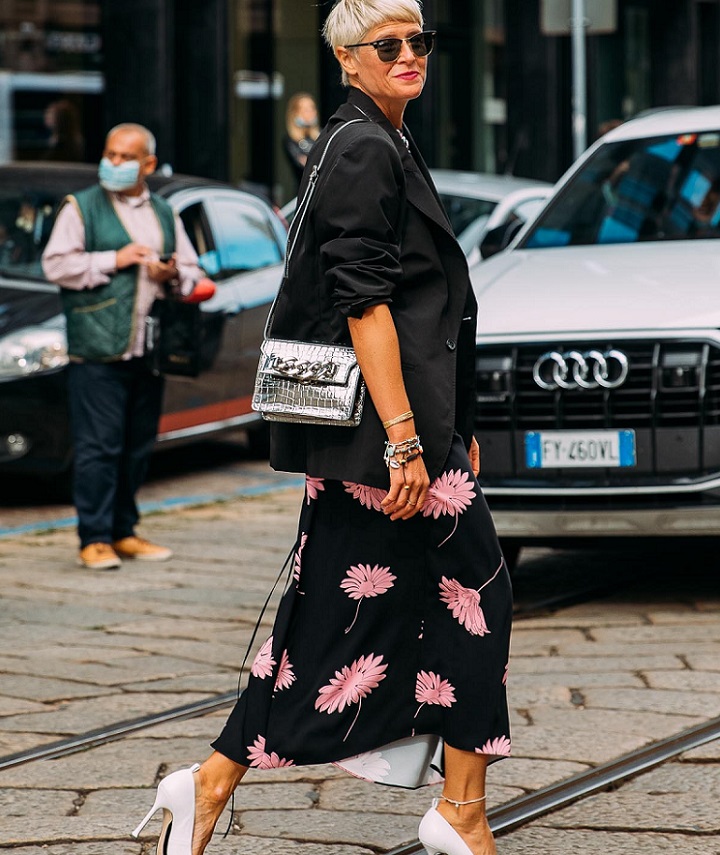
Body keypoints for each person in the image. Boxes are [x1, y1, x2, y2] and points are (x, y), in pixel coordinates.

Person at [131, 3, 512, 855]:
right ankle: (460, 811)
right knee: (478, 595)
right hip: (388, 436)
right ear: (346, 57)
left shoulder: (381, 136)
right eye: (389, 43)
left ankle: (208, 784)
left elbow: (421, 303)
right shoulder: (363, 147)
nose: (410, 53)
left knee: (328, 613)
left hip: (393, 431)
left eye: (420, 39)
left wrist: (460, 421)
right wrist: (408, 440)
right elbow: (365, 301)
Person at [42, 123, 204, 570]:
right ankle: (93, 537)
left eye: (123, 157)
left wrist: (171, 274)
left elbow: (191, 270)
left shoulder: (164, 212)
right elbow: (56, 265)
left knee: (137, 443)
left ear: (148, 164)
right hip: (97, 347)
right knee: (99, 446)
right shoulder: (82, 207)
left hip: (148, 348)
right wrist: (115, 259)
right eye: (109, 154)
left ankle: (123, 531)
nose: (112, 163)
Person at [282, 91, 321, 187]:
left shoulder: (322, 134)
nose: (311, 113)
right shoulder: (290, 140)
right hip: (303, 190)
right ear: (295, 113)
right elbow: (304, 165)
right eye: (305, 109)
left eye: (312, 108)